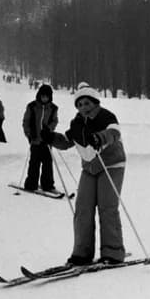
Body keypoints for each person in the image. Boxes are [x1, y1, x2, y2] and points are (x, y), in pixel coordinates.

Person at [42, 82, 127, 266]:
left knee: (107, 207)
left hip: (111, 164)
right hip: (90, 168)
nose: (84, 108)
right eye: (79, 105)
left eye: (87, 103)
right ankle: (82, 253)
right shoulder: (77, 123)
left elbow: (114, 132)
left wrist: (99, 137)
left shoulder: (106, 116)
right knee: (82, 209)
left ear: (95, 102)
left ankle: (112, 253)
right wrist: (51, 137)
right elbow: (66, 141)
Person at [22, 84, 59, 192]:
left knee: (47, 163)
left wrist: (49, 129)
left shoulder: (53, 108)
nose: (44, 98)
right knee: (34, 163)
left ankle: (47, 185)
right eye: (42, 96)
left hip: (46, 141)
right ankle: (31, 184)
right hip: (35, 140)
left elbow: (55, 120)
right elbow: (26, 121)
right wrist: (29, 135)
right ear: (39, 95)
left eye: (47, 96)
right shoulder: (32, 106)